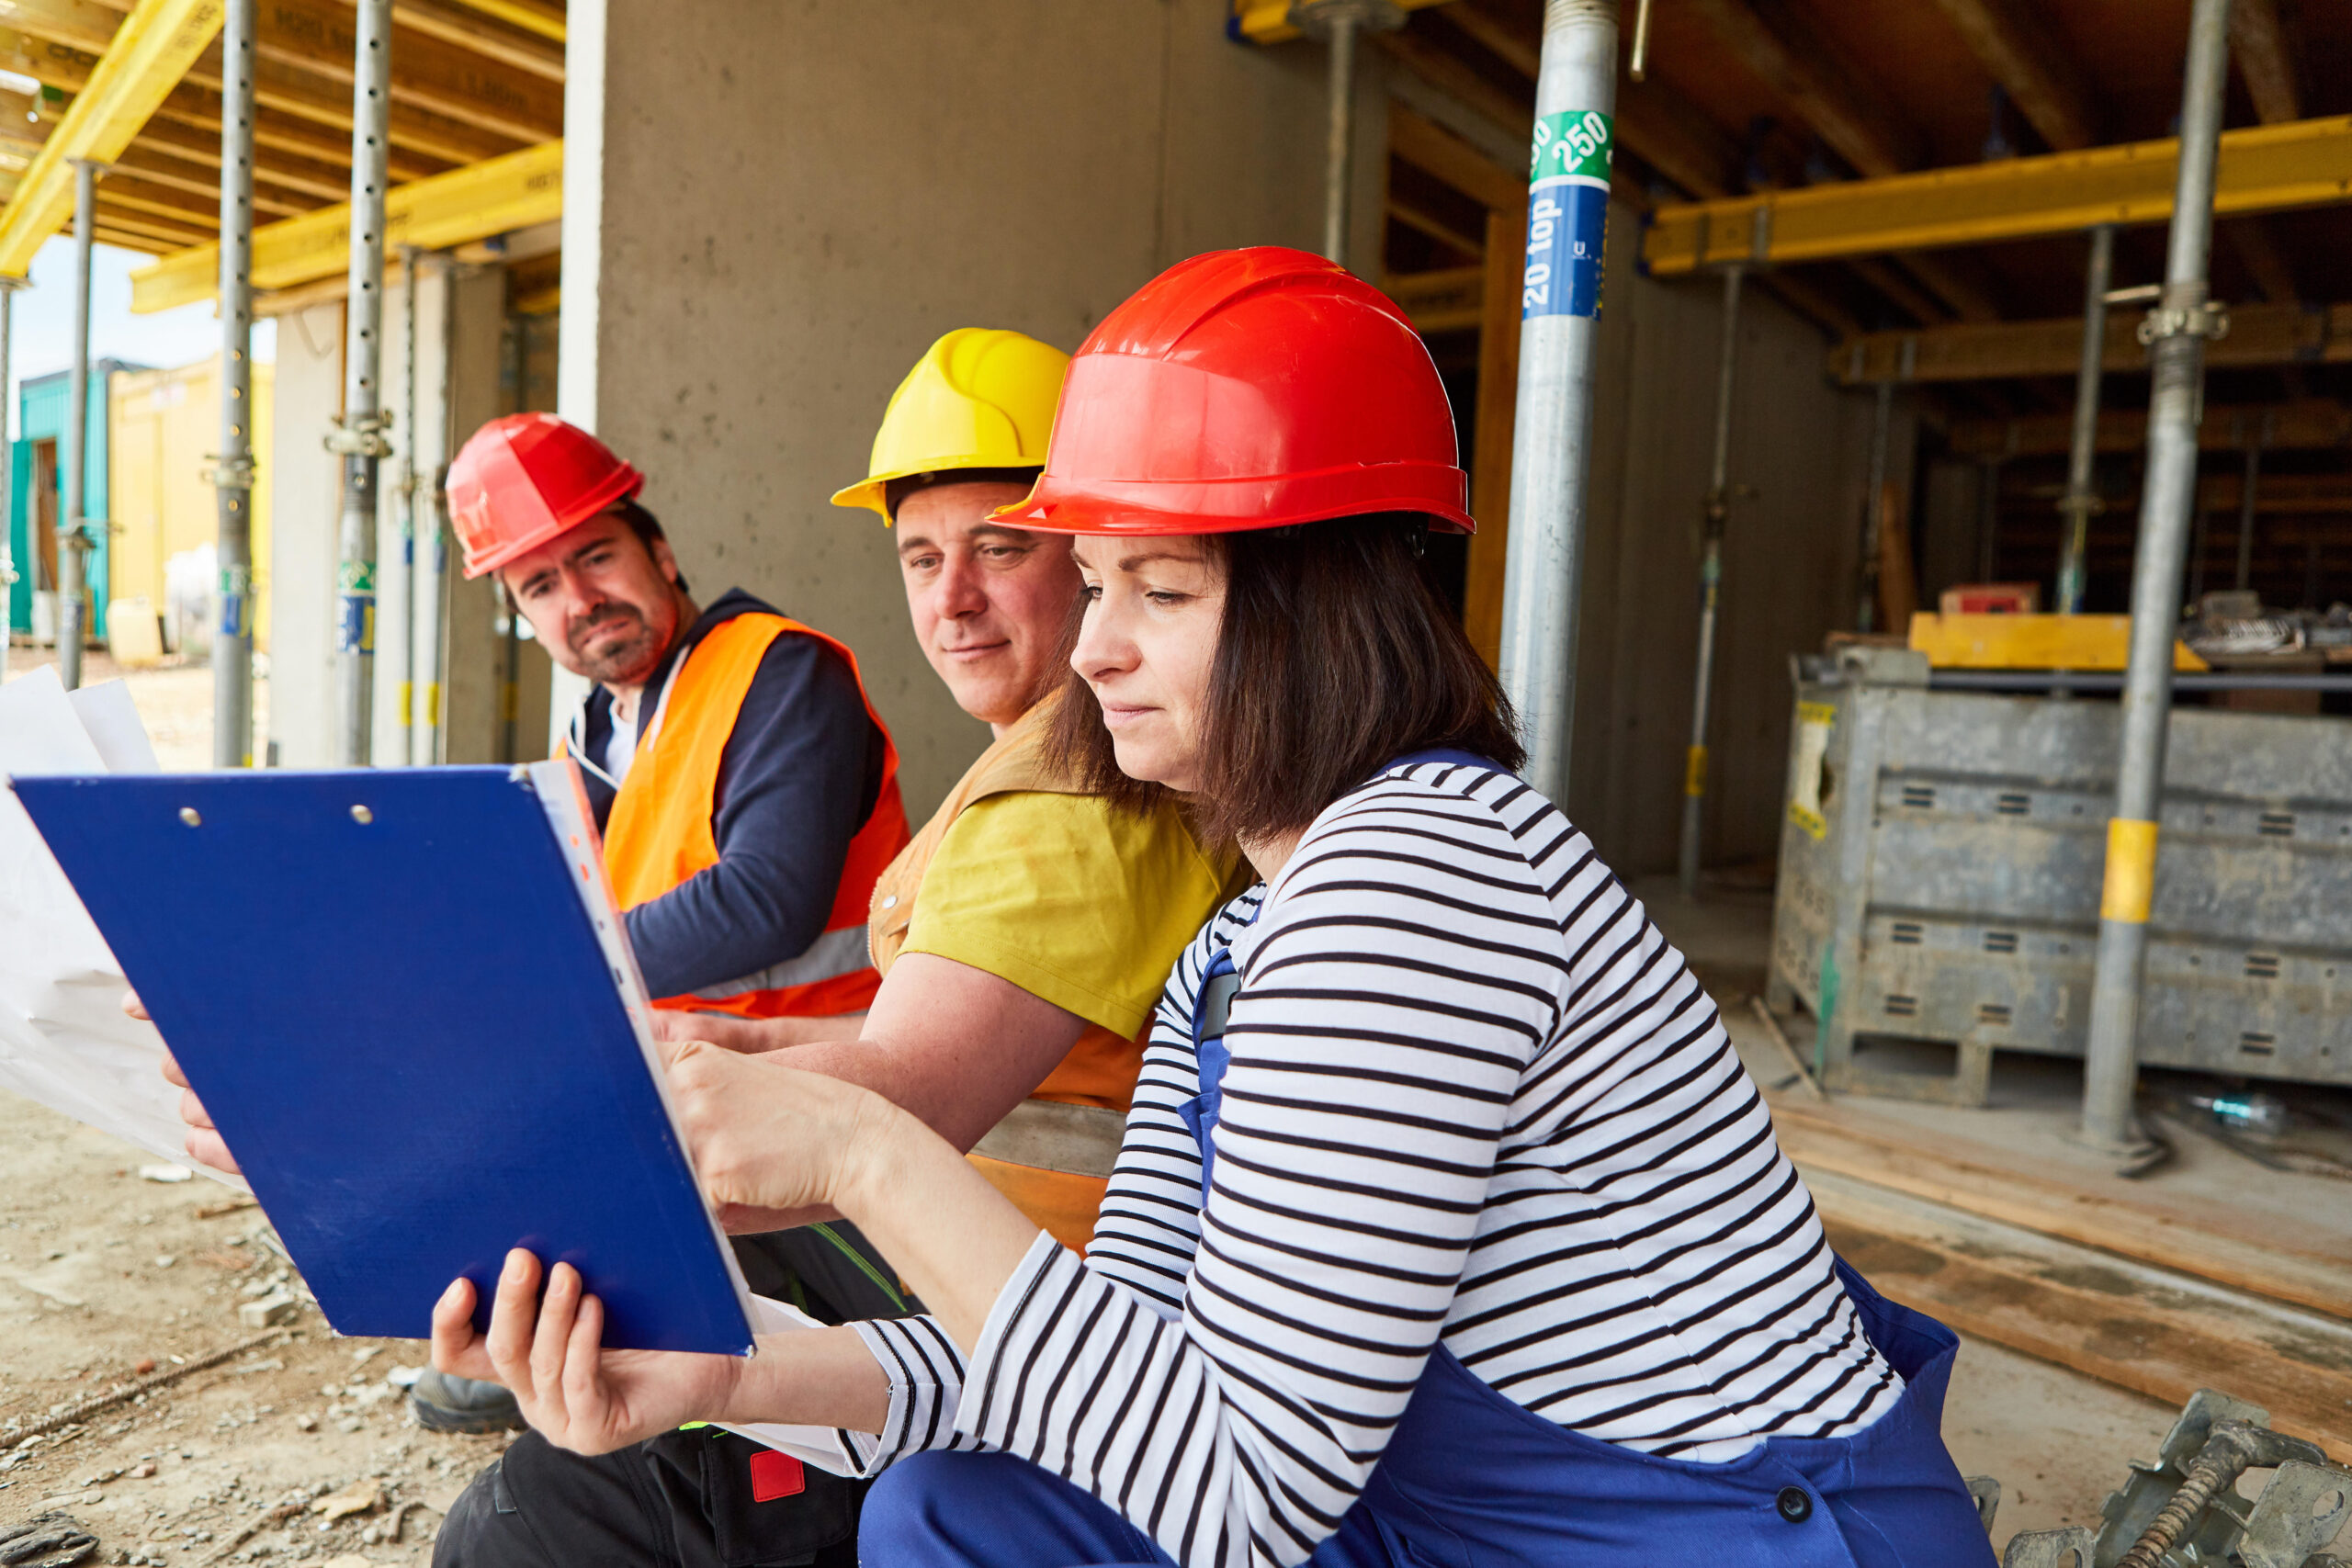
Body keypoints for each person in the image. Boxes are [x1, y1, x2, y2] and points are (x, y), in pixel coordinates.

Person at [429, 249, 1995, 1568]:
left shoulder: (1417, 879)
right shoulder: (1251, 930)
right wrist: (727, 1375)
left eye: (1157, 591)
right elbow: (1124, 1354)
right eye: (1095, 582)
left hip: (1714, 1533)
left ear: (1331, 606)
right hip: (1488, 1503)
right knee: (963, 1503)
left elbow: (1240, 1493)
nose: (1097, 648)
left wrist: (858, 1147)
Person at [423, 331, 1247, 1567]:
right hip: (916, 1201)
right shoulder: (1030, 751)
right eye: (922, 556)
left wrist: (518, 1116)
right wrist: (724, 1042)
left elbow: (876, 1062)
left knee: (546, 1513)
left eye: (1001, 548)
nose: (952, 597)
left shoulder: (1066, 781)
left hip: (1008, 1262)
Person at [429, 412, 916, 1435]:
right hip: (682, 1084)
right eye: (541, 587)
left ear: (660, 550)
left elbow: (764, 899)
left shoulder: (780, 674)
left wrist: (548, 971)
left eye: (596, 557)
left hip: (821, 1095)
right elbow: (575, 903)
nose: (580, 601)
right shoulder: (599, 726)